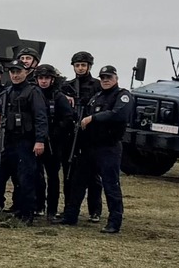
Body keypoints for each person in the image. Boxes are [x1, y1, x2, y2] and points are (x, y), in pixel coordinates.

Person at [62, 65, 130, 232]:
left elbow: (118, 114)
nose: (106, 80)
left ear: (116, 78)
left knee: (110, 185)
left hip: (109, 148)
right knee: (78, 183)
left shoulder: (122, 95)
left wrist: (93, 117)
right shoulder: (96, 96)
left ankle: (114, 223)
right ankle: (70, 217)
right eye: (103, 78)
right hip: (89, 148)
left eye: (109, 77)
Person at [0, 60, 49, 225]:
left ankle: (26, 215)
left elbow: (41, 117)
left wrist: (40, 140)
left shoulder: (33, 92)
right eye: (12, 71)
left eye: (18, 71)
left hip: (25, 142)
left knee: (25, 180)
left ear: (26, 72)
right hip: (6, 141)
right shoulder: (7, 91)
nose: (15, 75)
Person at [66, 52, 104, 221]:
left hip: (91, 136)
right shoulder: (67, 86)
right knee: (69, 174)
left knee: (93, 176)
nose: (80, 68)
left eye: (83, 65)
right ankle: (69, 208)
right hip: (71, 135)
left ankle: (95, 210)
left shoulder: (98, 85)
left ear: (89, 66)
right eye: (77, 65)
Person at [34, 65, 74, 220]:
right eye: (41, 78)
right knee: (36, 175)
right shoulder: (33, 93)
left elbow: (68, 119)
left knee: (53, 177)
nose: (43, 81)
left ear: (52, 80)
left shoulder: (58, 97)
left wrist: (55, 132)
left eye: (46, 78)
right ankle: (38, 206)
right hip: (36, 140)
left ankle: (52, 209)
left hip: (54, 143)